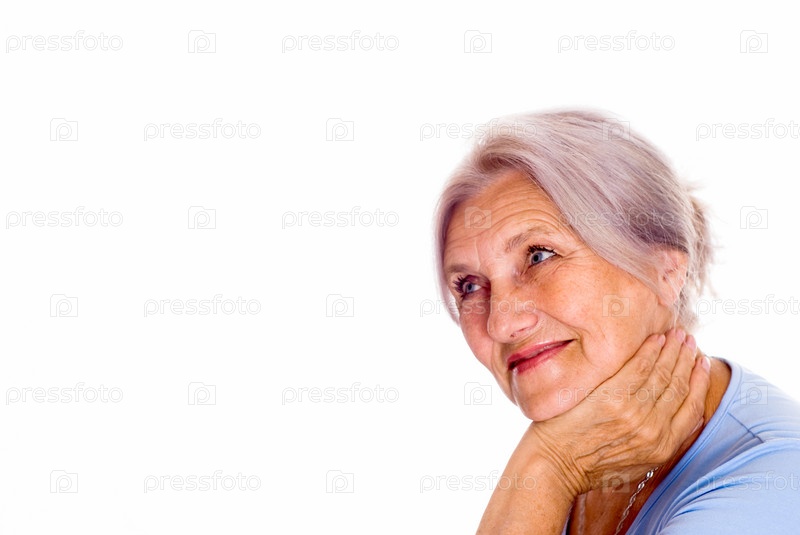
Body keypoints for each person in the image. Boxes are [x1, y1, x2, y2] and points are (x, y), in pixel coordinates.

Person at [433, 110, 800, 534]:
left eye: (539, 256)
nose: (500, 323)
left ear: (665, 271)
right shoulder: (590, 441)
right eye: (469, 287)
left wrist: (550, 465)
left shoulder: (774, 484)